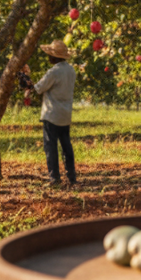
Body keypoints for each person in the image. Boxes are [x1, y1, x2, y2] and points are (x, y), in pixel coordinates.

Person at [31, 40, 78, 186]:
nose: (48, 58)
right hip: (65, 114)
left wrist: (28, 84)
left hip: (51, 114)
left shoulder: (54, 72)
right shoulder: (71, 70)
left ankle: (55, 178)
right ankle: (72, 177)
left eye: (50, 55)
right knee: (66, 146)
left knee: (51, 147)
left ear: (54, 57)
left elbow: (39, 88)